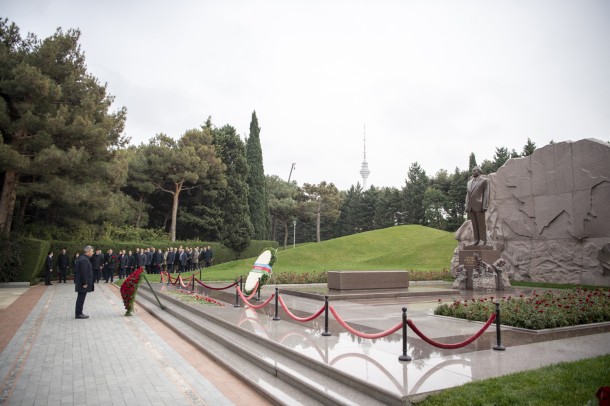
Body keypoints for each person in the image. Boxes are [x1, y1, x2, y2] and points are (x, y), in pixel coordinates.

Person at [465, 166, 490, 246]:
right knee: (474, 224)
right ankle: (476, 240)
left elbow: (486, 194)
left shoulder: (484, 181)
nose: (473, 172)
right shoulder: (469, 182)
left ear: (479, 172)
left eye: (475, 170)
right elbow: (468, 195)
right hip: (471, 206)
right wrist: (467, 206)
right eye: (472, 170)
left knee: (481, 224)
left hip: (479, 205)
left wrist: (485, 205)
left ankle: (483, 240)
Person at [75, 245, 94, 319]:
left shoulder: (84, 258)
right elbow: (83, 272)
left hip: (82, 283)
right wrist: (85, 283)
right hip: (82, 284)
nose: (93, 253)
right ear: (88, 251)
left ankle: (79, 312)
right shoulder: (84, 260)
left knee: (81, 298)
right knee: (81, 298)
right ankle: (78, 313)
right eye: (92, 251)